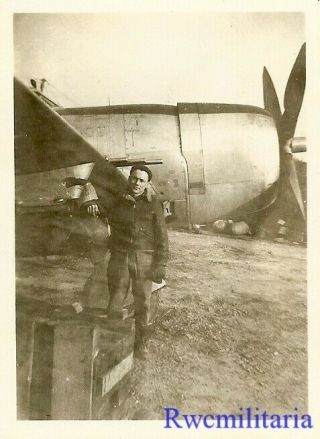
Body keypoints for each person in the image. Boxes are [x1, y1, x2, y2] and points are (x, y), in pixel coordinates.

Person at [84, 164, 169, 358]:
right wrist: (89, 201)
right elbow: (98, 204)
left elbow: (162, 237)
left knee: (143, 305)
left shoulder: (153, 204)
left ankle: (141, 346)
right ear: (129, 178)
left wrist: (161, 264)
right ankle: (110, 346)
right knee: (114, 304)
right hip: (120, 258)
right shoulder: (117, 200)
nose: (136, 183)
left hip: (144, 260)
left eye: (141, 180)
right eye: (134, 178)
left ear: (147, 184)